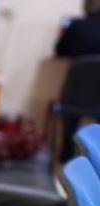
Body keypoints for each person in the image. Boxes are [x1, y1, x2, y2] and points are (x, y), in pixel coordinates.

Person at [55, 0, 100, 161]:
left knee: (70, 110)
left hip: (76, 97)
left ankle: (67, 154)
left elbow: (60, 51)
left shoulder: (76, 26)